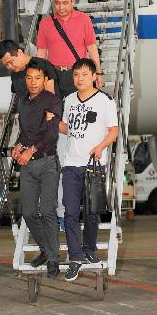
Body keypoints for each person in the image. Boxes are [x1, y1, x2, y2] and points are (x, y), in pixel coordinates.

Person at [58, 58, 118, 282]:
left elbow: (113, 131)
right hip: (71, 164)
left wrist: (100, 147)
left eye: (84, 74)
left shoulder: (105, 101)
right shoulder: (69, 100)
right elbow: (67, 128)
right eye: (75, 74)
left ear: (94, 76)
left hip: (93, 165)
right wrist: (53, 122)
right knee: (70, 212)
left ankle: (90, 249)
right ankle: (75, 257)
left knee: (92, 211)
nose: (79, 79)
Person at [12, 59, 63, 277]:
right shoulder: (23, 102)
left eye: (38, 78)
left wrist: (30, 150)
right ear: (26, 80)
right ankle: (45, 248)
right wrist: (18, 145)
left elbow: (50, 133)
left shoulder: (53, 101)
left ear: (44, 80)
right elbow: (26, 131)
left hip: (48, 162)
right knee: (29, 212)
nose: (33, 82)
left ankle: (53, 259)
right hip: (28, 165)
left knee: (48, 210)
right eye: (30, 78)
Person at [37, 0, 103, 97]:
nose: (61, 7)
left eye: (65, 3)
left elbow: (92, 48)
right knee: (55, 112)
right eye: (57, 3)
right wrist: (39, 76)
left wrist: (97, 73)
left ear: (72, 1)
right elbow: (41, 52)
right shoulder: (45, 23)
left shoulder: (84, 20)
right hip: (53, 74)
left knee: (79, 110)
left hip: (77, 74)